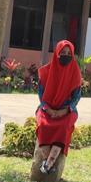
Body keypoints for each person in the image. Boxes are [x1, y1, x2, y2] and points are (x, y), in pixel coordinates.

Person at [35, 39, 82, 174]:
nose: (66, 55)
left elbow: (76, 97)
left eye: (69, 53)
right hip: (47, 108)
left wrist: (64, 110)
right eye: (63, 52)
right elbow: (41, 95)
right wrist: (49, 109)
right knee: (43, 124)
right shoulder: (46, 72)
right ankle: (48, 163)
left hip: (67, 110)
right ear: (57, 53)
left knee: (63, 126)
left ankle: (48, 164)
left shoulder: (75, 73)